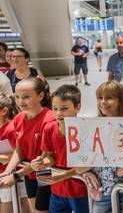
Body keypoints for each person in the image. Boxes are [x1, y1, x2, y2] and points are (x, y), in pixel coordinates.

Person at [31, 85, 89, 213]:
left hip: (80, 191)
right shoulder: (49, 128)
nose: (58, 113)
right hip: (57, 190)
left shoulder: (85, 130)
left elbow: (86, 165)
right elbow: (50, 156)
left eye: (64, 109)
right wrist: (42, 162)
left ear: (77, 107)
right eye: (55, 108)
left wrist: (62, 176)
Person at [0, 77, 54, 212]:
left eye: (25, 97)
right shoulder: (19, 118)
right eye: (17, 97)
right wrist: (8, 171)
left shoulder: (49, 120)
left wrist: (16, 175)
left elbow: (43, 159)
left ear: (40, 95)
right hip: (29, 174)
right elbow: (19, 150)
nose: (20, 101)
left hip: (45, 172)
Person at [86, 80, 123, 213]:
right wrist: (87, 171)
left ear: (121, 101)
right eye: (100, 98)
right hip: (102, 190)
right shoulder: (92, 126)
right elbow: (85, 158)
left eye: (109, 98)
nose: (103, 102)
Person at [0, 94, 30, 213]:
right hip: (3, 176)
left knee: (21, 206)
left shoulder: (11, 128)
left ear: (4, 111)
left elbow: (16, 153)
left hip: (11, 176)